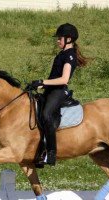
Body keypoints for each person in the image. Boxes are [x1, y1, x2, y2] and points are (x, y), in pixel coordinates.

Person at [29, 23, 88, 165]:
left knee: (46, 115)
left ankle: (51, 153)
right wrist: (40, 84)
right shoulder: (62, 54)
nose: (57, 41)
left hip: (60, 91)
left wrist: (43, 81)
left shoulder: (70, 56)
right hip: (52, 89)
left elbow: (64, 79)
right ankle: (39, 148)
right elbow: (54, 76)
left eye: (59, 38)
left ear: (68, 39)